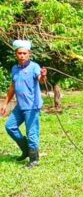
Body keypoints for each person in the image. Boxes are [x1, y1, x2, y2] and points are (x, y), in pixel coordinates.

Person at [0, 40, 47, 168]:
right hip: (20, 106)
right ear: (16, 54)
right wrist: (5, 104)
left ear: (29, 54)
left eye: (24, 53)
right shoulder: (15, 68)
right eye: (19, 53)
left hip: (32, 107)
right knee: (10, 127)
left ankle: (34, 159)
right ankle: (26, 150)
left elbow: (41, 80)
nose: (22, 55)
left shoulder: (34, 67)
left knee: (32, 133)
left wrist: (43, 76)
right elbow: (12, 88)